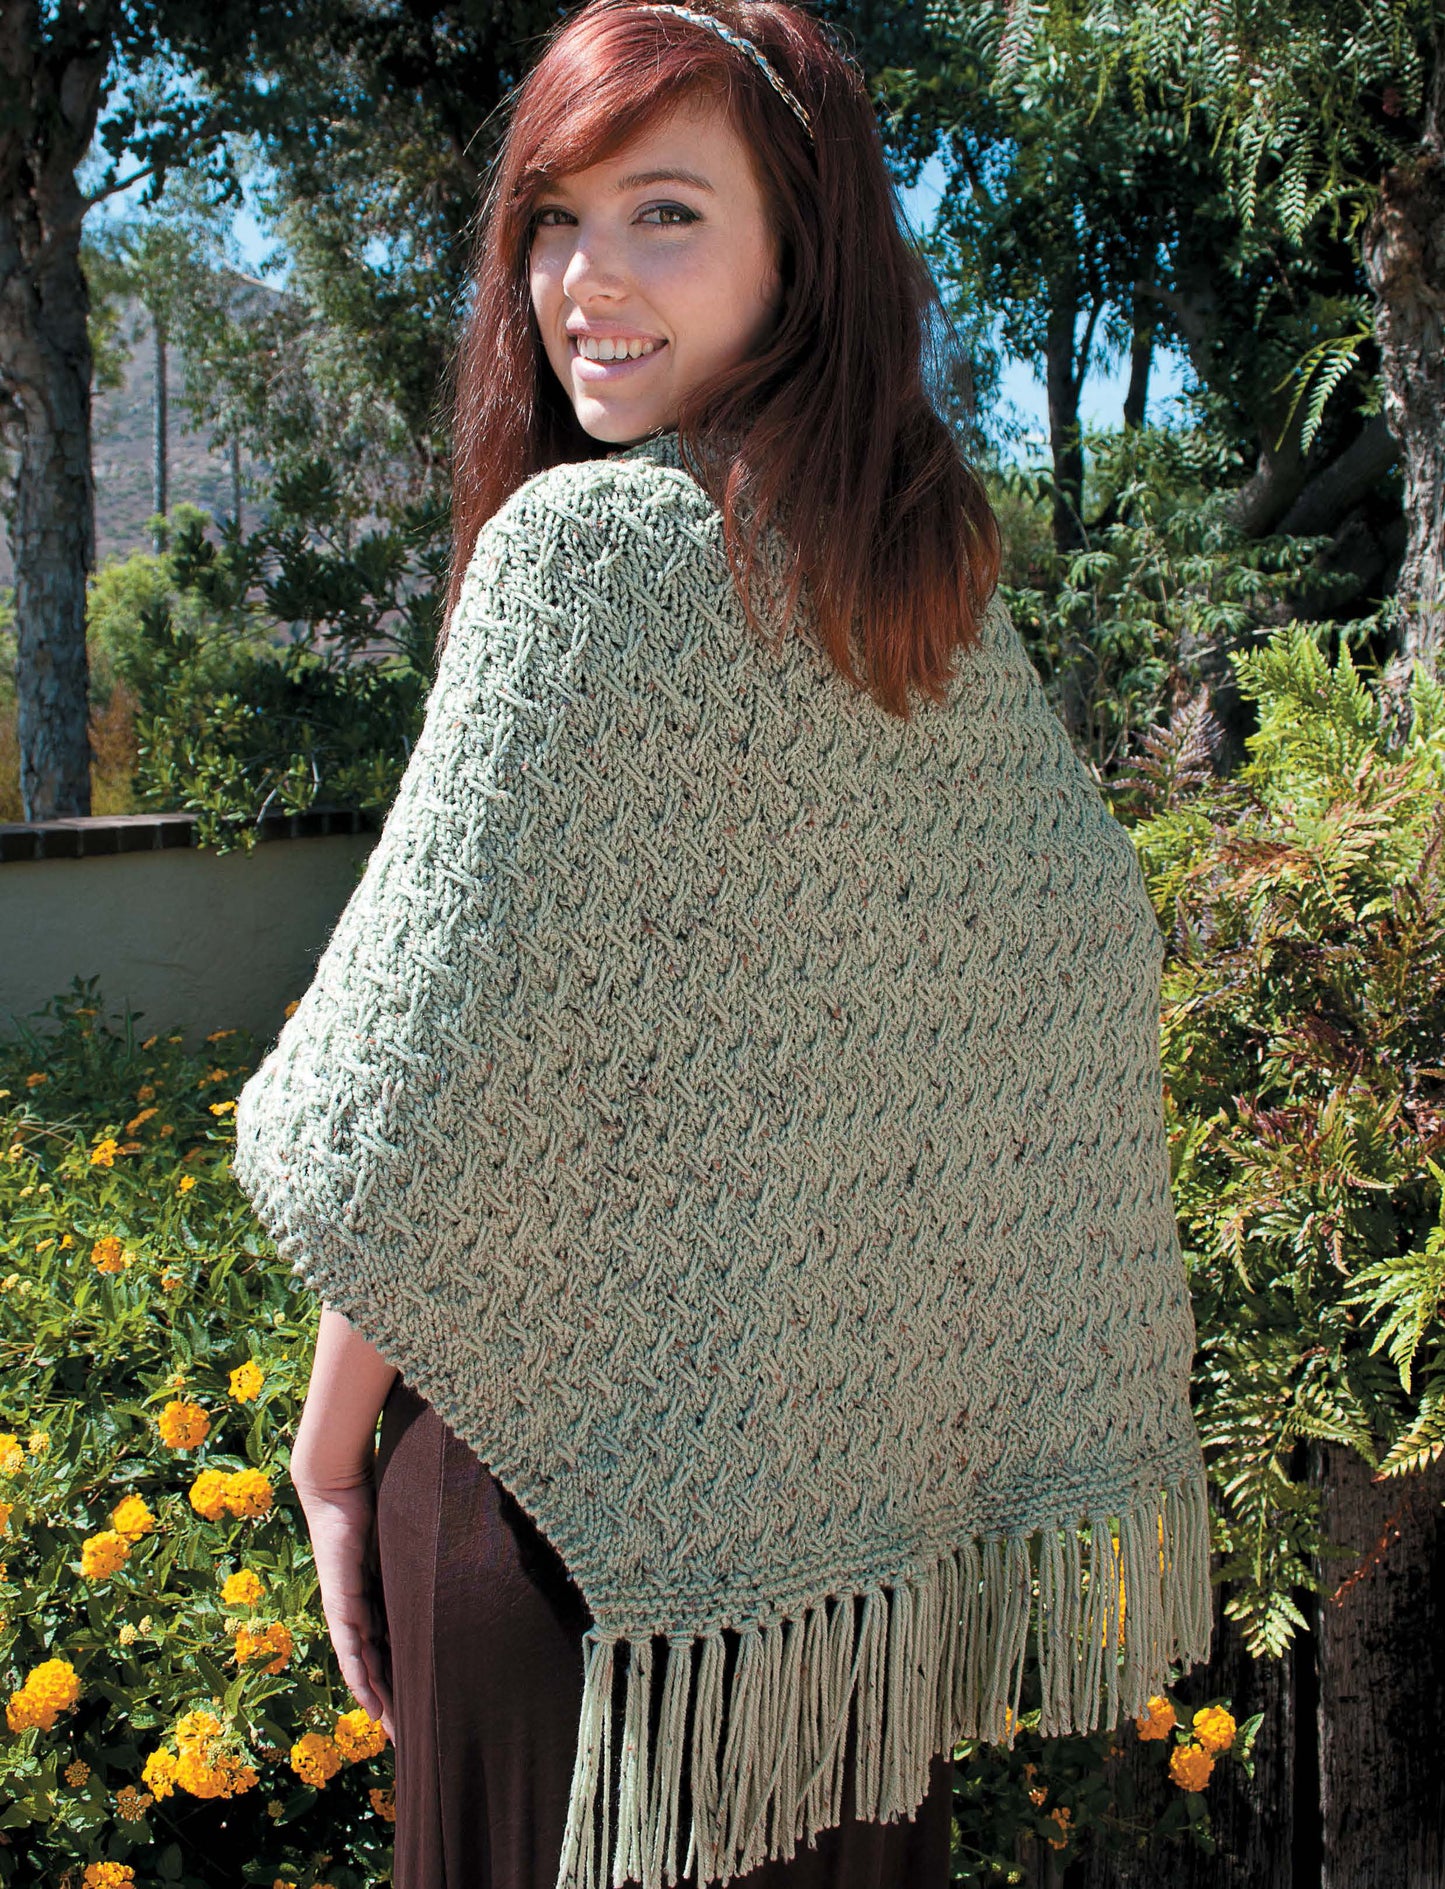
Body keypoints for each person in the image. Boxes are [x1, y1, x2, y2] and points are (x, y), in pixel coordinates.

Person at [232, 5, 1213, 1889]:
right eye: (552, 219)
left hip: (562, 1529)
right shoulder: (927, 612)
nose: (585, 281)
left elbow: (411, 1104)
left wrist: (331, 1446)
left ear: (802, 253)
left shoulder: (578, 566)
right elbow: (1072, 975)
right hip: (840, 1581)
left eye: (663, 214)